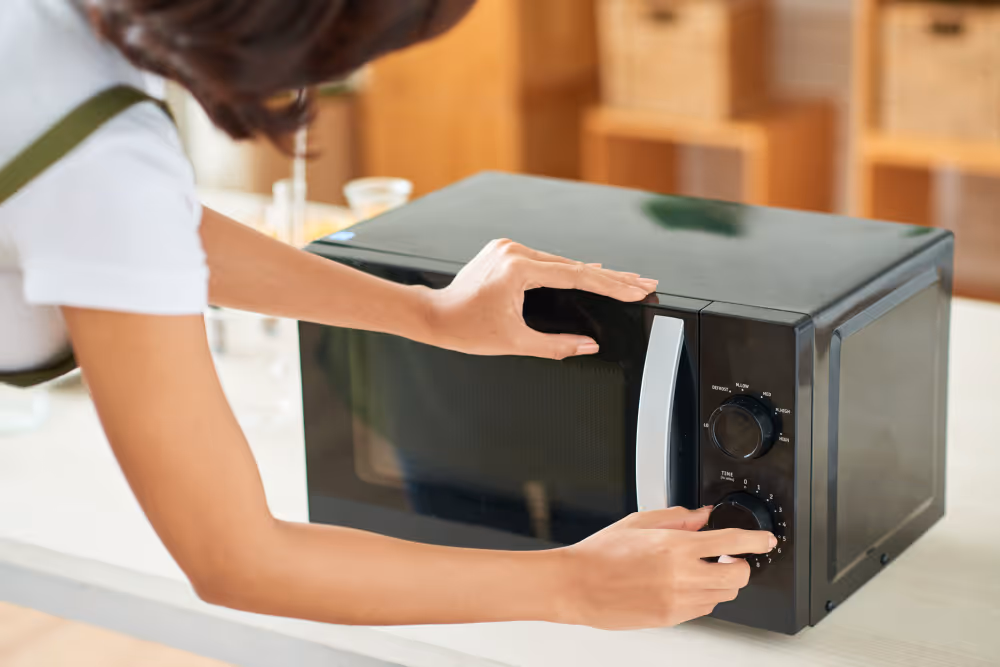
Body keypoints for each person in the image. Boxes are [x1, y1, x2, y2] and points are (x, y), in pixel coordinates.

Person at [0, 0, 774, 630]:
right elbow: (237, 559)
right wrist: (570, 583)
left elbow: (150, 228)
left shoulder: (78, 25)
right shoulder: (106, 163)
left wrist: (428, 312)